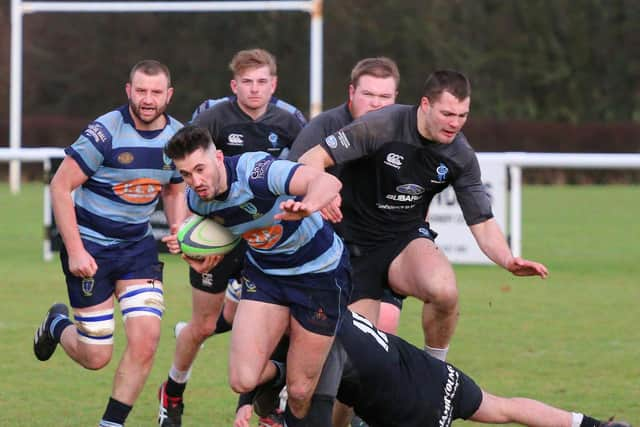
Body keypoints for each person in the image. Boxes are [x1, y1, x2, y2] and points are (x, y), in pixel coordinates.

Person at [298, 70, 549, 363]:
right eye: (447, 113)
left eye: (462, 115)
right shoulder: (380, 126)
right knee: (356, 359)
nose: (455, 123)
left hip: (404, 240)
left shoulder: (459, 155)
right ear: (425, 105)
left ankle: (435, 369)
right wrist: (323, 190)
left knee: (444, 291)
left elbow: (481, 221)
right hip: (352, 245)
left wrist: (508, 259)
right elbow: (310, 159)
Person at [163, 125, 352, 427]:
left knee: (301, 391)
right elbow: (219, 237)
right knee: (242, 380)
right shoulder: (198, 199)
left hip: (320, 273)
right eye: (186, 174)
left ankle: (297, 379)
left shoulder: (257, 173)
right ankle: (280, 371)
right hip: (266, 275)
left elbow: (326, 181)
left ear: (219, 158)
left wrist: (307, 206)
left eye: (200, 169)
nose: (195, 181)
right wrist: (194, 256)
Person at [157, 48, 306, 427]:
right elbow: (186, 175)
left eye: (262, 82)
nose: (254, 90)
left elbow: (302, 173)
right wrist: (184, 231)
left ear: (273, 83)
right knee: (203, 325)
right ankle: (173, 390)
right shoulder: (212, 117)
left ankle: (261, 405)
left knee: (269, 320)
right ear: (233, 85)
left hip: (263, 233)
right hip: (218, 230)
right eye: (246, 83)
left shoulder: (291, 121)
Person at [32, 60, 186, 427]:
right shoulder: (105, 133)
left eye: (156, 92)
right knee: (96, 356)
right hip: (91, 247)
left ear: (169, 95)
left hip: (136, 248)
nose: (148, 99)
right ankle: (57, 324)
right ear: (129, 91)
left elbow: (175, 185)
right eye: (141, 91)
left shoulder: (179, 137)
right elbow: (60, 186)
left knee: (146, 340)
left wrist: (179, 227)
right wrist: (76, 251)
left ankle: (111, 423)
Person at [234, 310, 632, 427]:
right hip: (437, 376)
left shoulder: (321, 349)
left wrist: (272, 410)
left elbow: (312, 400)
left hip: (412, 413)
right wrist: (249, 400)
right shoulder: (326, 311)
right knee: (504, 408)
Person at [288, 56, 403, 336]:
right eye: (368, 94)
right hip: (329, 240)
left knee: (384, 324)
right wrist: (322, 192)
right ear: (352, 93)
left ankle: (432, 372)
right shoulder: (324, 127)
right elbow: (293, 174)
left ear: (396, 97)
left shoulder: (407, 129)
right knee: (319, 330)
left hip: (383, 240)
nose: (376, 103)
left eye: (385, 96)